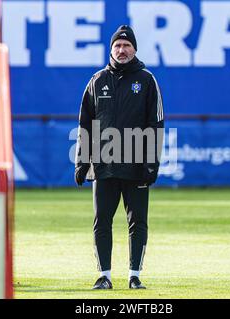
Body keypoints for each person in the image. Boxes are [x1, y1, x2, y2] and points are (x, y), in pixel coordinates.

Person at [74, 25, 164, 290]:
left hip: (136, 165)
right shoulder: (97, 81)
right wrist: (82, 161)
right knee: (102, 221)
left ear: (134, 49)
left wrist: (151, 162)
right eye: (117, 46)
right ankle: (104, 276)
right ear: (110, 49)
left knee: (137, 222)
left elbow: (155, 123)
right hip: (103, 166)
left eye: (126, 46)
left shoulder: (146, 80)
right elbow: (85, 125)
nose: (122, 50)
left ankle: (134, 275)